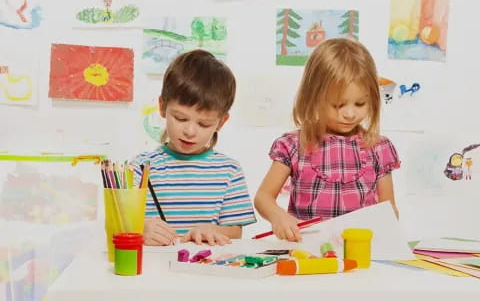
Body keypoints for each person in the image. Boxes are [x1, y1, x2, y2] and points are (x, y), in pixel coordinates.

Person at [254, 38, 400, 242]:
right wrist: (279, 217)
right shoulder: (294, 145)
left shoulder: (379, 147)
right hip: (306, 251)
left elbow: (388, 209)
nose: (349, 114)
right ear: (314, 98)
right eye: (338, 105)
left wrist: (386, 233)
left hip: (359, 252)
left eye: (360, 103)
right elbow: (263, 197)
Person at [132, 49, 256, 246]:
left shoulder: (229, 171)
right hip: (153, 269)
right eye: (180, 118)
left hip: (206, 268)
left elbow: (235, 231)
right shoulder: (140, 167)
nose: (190, 131)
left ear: (221, 122)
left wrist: (212, 230)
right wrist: (140, 229)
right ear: (162, 107)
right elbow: (119, 223)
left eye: (204, 124)